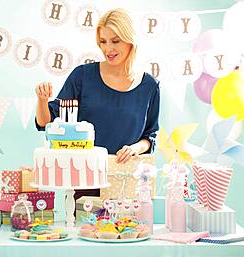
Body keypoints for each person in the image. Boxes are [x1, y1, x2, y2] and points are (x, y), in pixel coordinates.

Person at [35, 8, 160, 201]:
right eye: (103, 41)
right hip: (87, 181)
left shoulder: (150, 86)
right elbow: (46, 122)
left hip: (127, 181)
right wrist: (42, 101)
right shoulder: (82, 76)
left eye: (115, 41)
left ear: (130, 40)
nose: (108, 48)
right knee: (83, 230)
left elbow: (150, 137)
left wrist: (135, 148)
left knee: (131, 231)